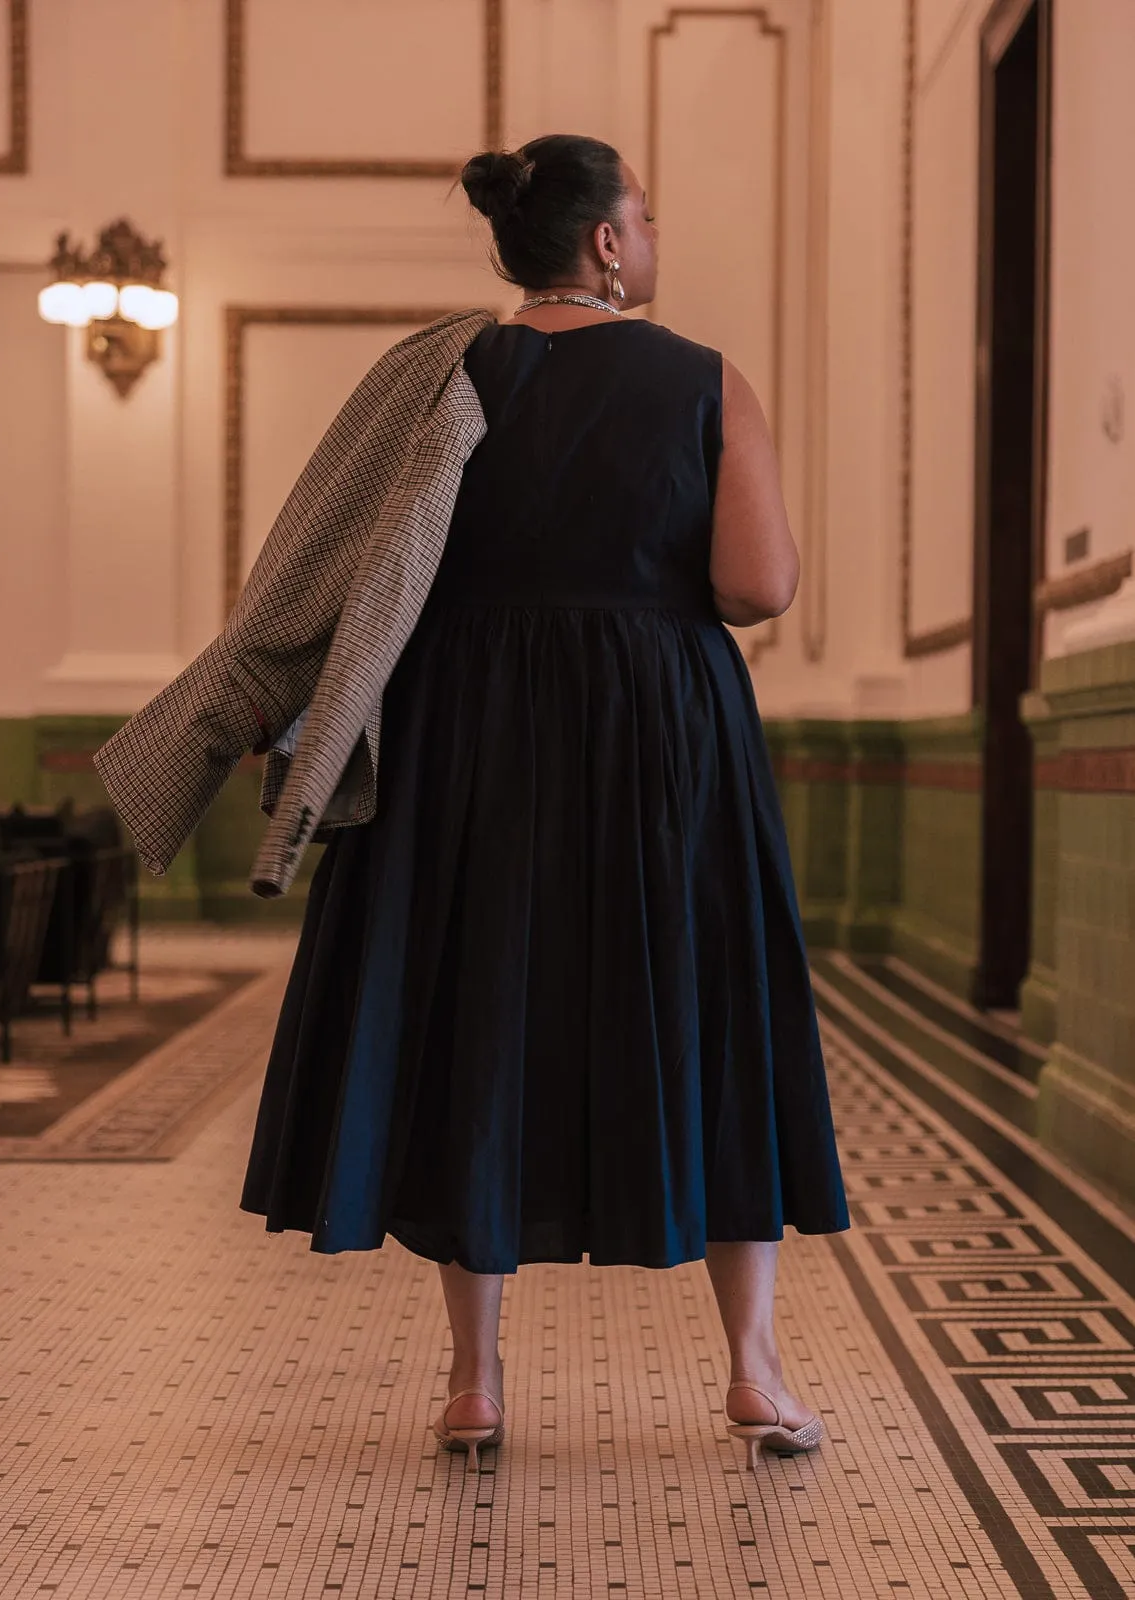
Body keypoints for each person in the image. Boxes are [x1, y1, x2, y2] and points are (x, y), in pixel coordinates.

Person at [238, 133, 850, 1475]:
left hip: (473, 730)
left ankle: (473, 1382)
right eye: (644, 206)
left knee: (482, 1008)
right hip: (659, 728)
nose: (651, 225)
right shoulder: (701, 379)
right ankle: (750, 1372)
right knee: (709, 1005)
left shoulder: (438, 377)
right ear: (609, 244)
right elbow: (756, 585)